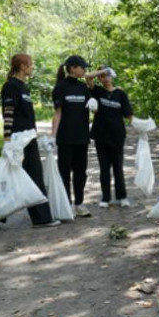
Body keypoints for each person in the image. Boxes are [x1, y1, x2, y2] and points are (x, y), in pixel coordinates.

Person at [0, 53, 60, 229]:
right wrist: (7, 139)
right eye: (31, 64)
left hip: (28, 138)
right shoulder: (11, 86)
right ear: (22, 66)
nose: (32, 67)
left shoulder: (24, 87)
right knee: (14, 177)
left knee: (32, 176)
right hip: (17, 140)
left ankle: (39, 218)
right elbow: (8, 114)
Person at [51, 55, 101, 217]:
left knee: (81, 172)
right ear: (72, 68)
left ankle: (79, 203)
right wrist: (53, 136)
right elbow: (57, 113)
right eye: (82, 67)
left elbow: (92, 109)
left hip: (81, 137)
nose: (84, 70)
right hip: (65, 137)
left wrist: (94, 106)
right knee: (65, 172)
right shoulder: (60, 87)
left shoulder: (82, 87)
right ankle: (66, 204)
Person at [89, 65, 134, 207]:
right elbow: (87, 77)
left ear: (111, 76)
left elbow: (128, 115)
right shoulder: (97, 91)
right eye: (102, 76)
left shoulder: (120, 94)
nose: (105, 78)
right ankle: (105, 198)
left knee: (118, 167)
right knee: (104, 168)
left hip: (117, 136)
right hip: (101, 135)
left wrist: (141, 126)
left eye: (107, 75)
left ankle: (122, 197)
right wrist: (101, 71)